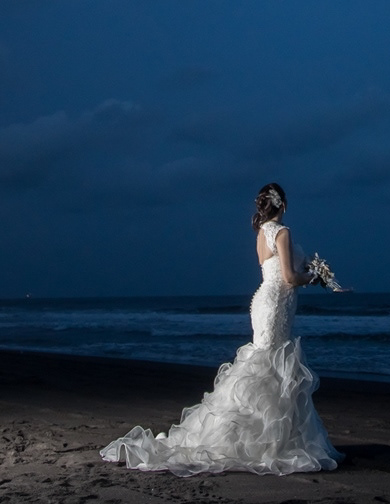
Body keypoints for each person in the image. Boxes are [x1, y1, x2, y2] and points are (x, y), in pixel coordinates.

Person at [100, 183, 345, 477]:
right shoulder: (282, 232)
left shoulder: (261, 234)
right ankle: (267, 442)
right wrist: (313, 277)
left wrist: (309, 272)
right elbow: (290, 278)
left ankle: (271, 437)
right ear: (284, 204)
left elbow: (276, 271)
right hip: (277, 302)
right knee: (270, 364)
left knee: (268, 362)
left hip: (266, 302)